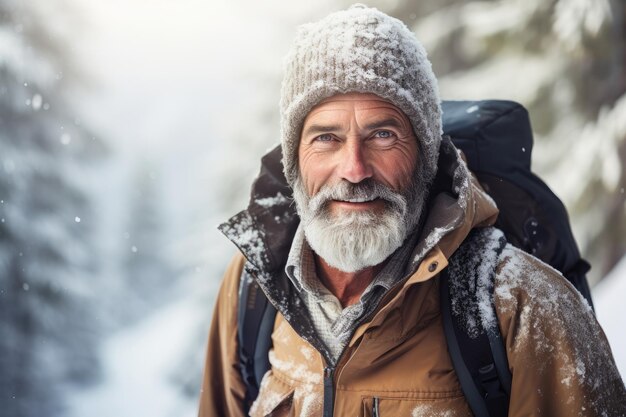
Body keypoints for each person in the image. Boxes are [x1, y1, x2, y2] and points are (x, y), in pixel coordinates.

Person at [198, 5, 626, 417]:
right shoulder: (254, 286)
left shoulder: (524, 307)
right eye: (326, 138)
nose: (354, 170)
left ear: (425, 155)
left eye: (383, 135)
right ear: (294, 161)